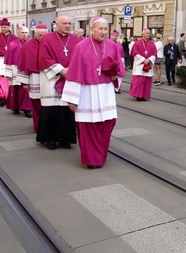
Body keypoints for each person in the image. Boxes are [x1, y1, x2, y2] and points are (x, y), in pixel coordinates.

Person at [62, 16, 126, 169]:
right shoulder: (81, 46)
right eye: (100, 29)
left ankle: (100, 156)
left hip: (105, 91)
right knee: (88, 127)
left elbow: (119, 71)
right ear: (92, 29)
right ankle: (91, 159)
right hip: (87, 92)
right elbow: (74, 72)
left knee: (107, 123)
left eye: (105, 29)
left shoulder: (112, 46)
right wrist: (72, 99)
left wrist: (115, 76)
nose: (104, 32)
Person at [37, 15, 80, 150]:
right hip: (52, 78)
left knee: (68, 110)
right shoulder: (47, 38)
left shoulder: (76, 40)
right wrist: (61, 70)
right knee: (51, 110)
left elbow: (80, 57)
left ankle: (65, 139)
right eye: (64, 23)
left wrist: (71, 71)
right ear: (56, 24)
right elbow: (44, 57)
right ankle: (50, 139)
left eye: (69, 23)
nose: (67, 25)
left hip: (70, 78)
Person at [17, 24, 48, 132]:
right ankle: (38, 125)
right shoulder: (28, 45)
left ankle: (47, 126)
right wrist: (24, 83)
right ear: (35, 34)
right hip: (35, 77)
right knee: (36, 103)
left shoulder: (50, 43)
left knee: (48, 103)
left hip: (49, 77)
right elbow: (22, 64)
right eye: (40, 35)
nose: (42, 38)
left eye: (44, 35)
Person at [4, 26, 31, 117]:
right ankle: (15, 107)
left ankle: (27, 109)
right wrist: (8, 73)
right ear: (18, 33)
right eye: (22, 33)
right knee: (15, 89)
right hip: (15, 69)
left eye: (26, 33)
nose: (24, 34)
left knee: (27, 90)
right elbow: (8, 60)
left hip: (27, 70)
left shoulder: (31, 43)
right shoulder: (12, 44)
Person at [0, 18, 18, 106]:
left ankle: (7, 96)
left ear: (8, 27)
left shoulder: (14, 38)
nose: (3, 29)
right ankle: (0, 97)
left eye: (5, 27)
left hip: (9, 61)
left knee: (8, 79)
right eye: (2, 27)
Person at [129, 28, 157, 101]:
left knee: (146, 82)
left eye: (149, 33)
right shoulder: (137, 43)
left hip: (148, 65)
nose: (148, 35)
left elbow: (154, 54)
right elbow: (135, 53)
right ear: (143, 34)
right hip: (139, 65)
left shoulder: (152, 44)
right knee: (139, 81)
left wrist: (149, 60)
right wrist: (143, 60)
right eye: (147, 33)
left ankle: (144, 95)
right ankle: (138, 95)